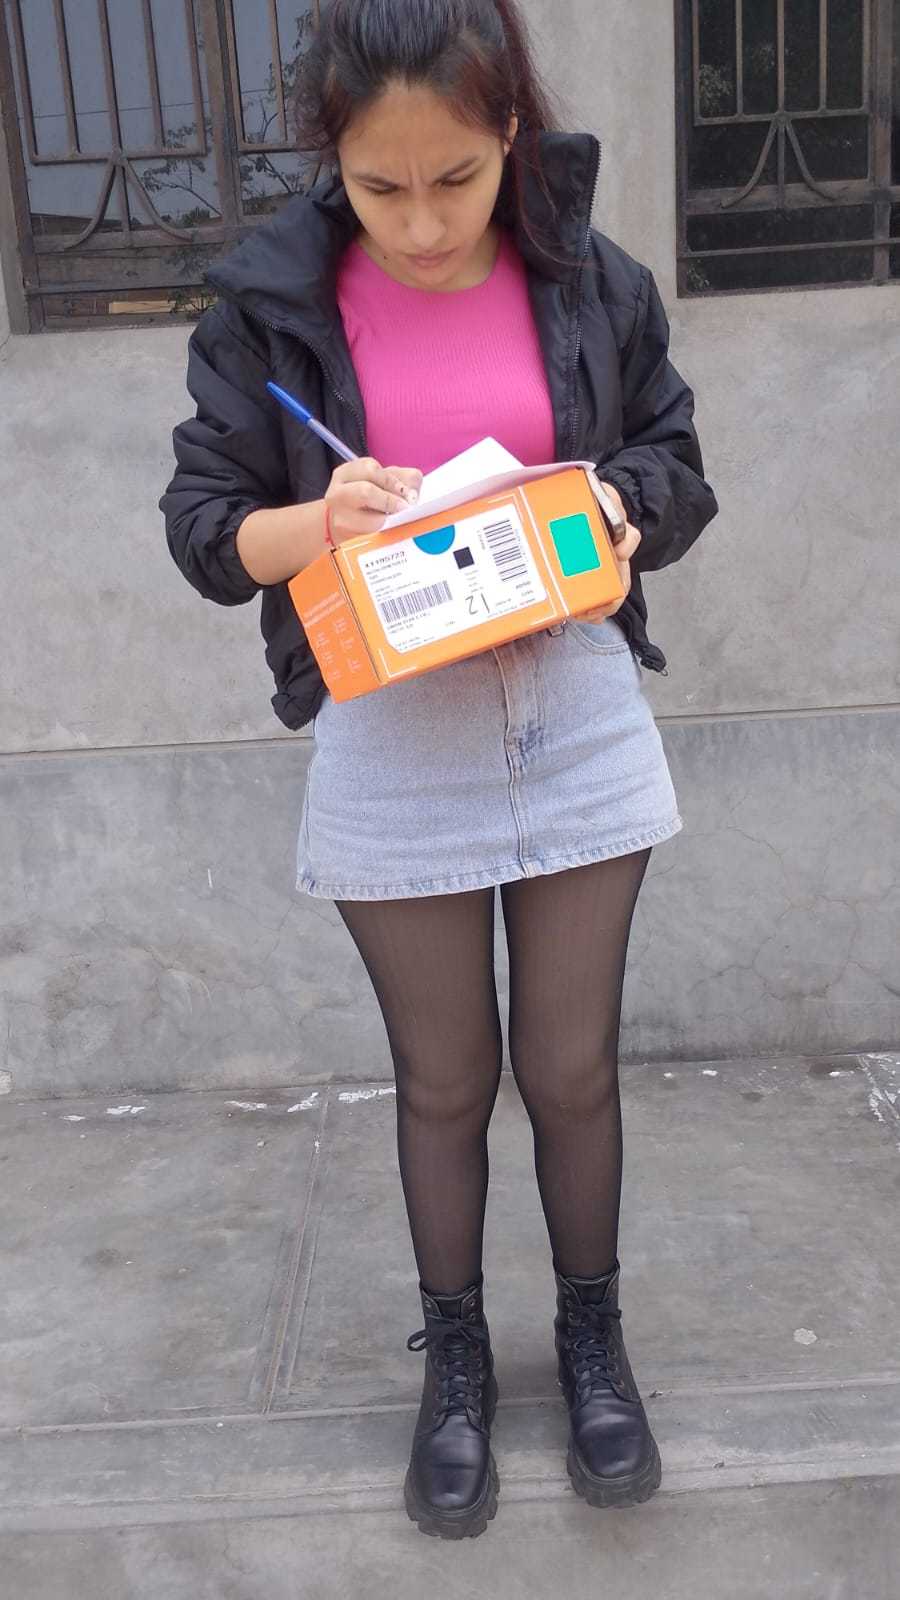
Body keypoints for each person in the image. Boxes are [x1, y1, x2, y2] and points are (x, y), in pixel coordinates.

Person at [161, 0, 718, 1542]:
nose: (419, 223)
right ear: (329, 157)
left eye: (456, 180)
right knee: (446, 1080)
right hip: (393, 728)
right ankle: (456, 1362)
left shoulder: (589, 278)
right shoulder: (273, 308)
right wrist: (311, 523)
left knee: (572, 1069)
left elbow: (673, 463)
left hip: (572, 700)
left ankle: (593, 1342)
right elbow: (205, 528)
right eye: (380, 186)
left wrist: (618, 510)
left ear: (511, 134)